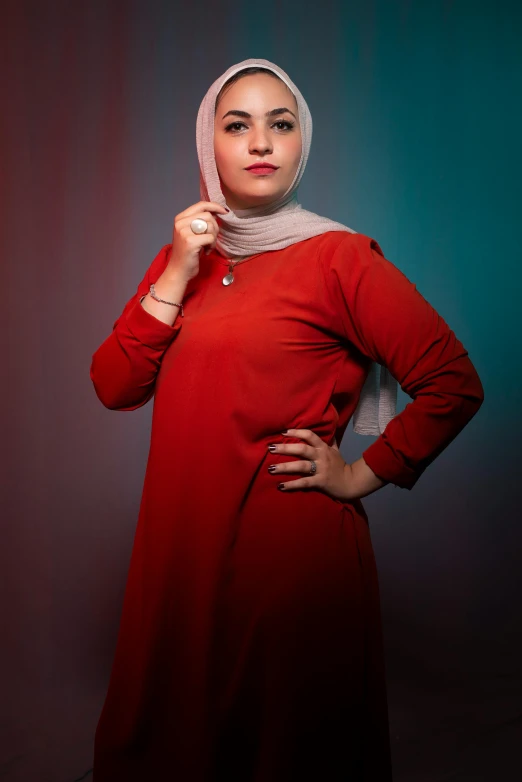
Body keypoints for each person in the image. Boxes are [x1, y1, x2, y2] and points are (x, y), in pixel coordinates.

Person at [90, 58, 484, 781]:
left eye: (282, 123)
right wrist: (178, 270)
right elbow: (115, 385)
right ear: (209, 145)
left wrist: (363, 473)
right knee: (177, 742)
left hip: (286, 563)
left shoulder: (341, 259)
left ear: (304, 143)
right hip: (179, 554)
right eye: (237, 125)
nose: (261, 142)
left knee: (287, 748)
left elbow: (452, 384)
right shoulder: (184, 258)